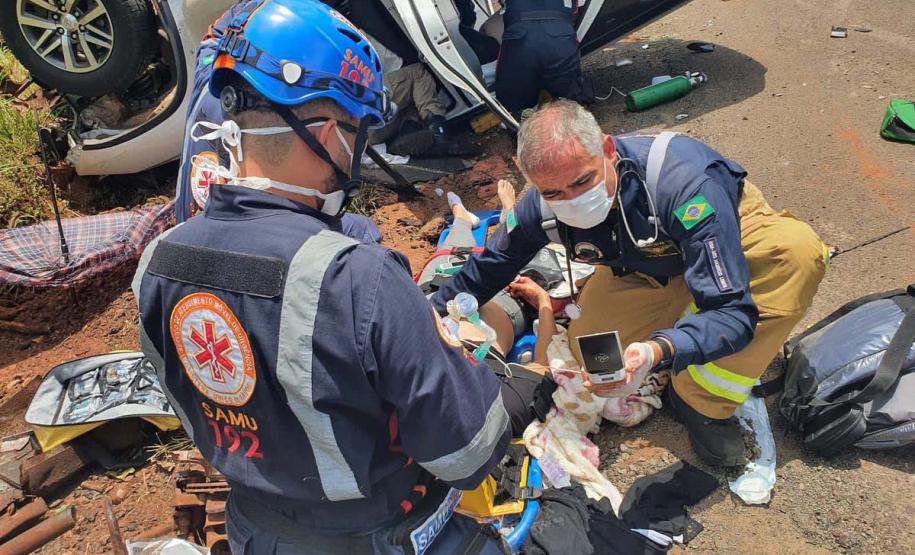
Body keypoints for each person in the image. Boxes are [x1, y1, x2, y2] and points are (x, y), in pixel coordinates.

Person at [134, 2, 517, 552]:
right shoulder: (360, 279)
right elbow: (469, 455)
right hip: (380, 537)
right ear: (331, 134)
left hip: (253, 533)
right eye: (358, 134)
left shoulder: (156, 265)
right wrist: (469, 364)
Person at [432, 100, 829, 467]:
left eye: (583, 181)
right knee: (592, 354)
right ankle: (682, 314)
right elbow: (490, 267)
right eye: (554, 192)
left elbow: (731, 313)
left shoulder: (684, 186)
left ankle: (702, 401)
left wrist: (658, 350)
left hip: (723, 234)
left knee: (793, 256)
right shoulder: (541, 207)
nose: (571, 200)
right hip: (641, 261)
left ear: (608, 150)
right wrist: (426, 313)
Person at [495, 0, 594, 117]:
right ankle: (575, 109)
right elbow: (574, 14)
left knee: (513, 104)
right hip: (560, 41)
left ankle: (519, 117)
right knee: (574, 99)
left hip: (520, 43)